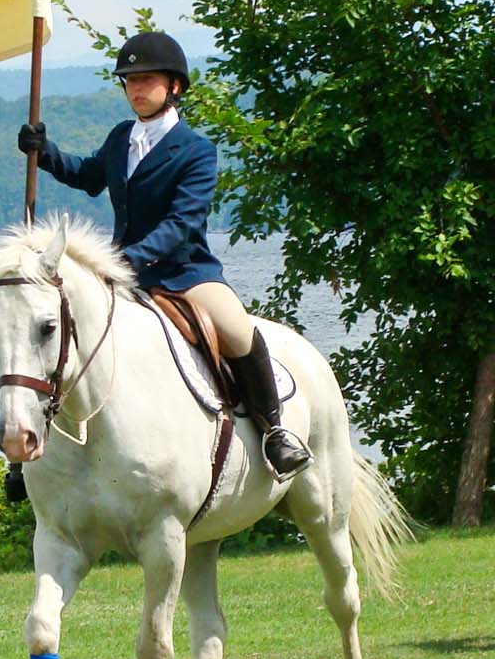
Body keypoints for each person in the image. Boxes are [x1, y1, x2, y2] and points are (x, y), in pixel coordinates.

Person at [17, 30, 312, 477]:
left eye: (146, 79)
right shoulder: (121, 139)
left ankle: (275, 431)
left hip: (186, 274)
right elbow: (90, 176)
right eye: (129, 81)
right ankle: (34, 457)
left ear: (174, 86)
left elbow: (182, 223)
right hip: (123, 274)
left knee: (237, 330)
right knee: (52, 335)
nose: (136, 88)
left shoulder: (196, 151)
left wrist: (127, 261)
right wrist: (46, 154)